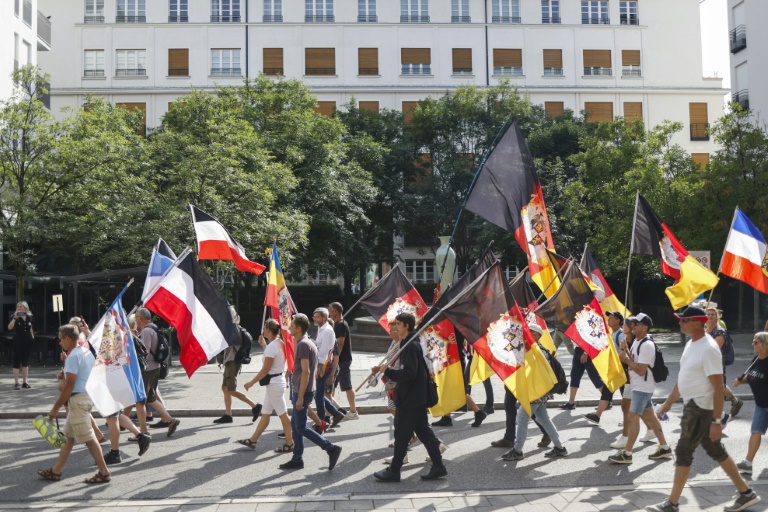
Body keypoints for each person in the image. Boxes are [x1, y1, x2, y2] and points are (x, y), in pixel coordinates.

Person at [648, 307, 761, 512]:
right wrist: (667, 404)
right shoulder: (692, 343)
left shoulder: (709, 348)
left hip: (700, 408)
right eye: (680, 320)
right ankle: (747, 494)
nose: (680, 323)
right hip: (693, 405)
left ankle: (672, 504)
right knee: (716, 450)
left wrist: (716, 421)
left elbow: (718, 388)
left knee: (683, 451)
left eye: (684, 320)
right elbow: (684, 379)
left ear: (697, 323)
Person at [372, 312, 446, 482]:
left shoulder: (411, 346)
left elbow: (409, 373)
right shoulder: (406, 343)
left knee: (401, 434)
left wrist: (388, 371)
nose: (395, 326)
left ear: (406, 326)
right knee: (424, 433)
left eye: (398, 324)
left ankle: (394, 470)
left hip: (410, 399)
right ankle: (439, 467)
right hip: (413, 397)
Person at [37, 324, 111, 484]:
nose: (59, 342)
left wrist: (55, 408)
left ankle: (104, 472)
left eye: (60, 339)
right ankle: (56, 471)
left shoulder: (72, 357)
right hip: (84, 398)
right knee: (68, 438)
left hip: (77, 400)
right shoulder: (86, 352)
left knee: (89, 438)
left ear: (68, 339)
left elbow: (69, 385)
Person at [279, 313, 342, 471]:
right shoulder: (308, 342)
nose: (290, 328)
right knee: (296, 425)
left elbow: (306, 372)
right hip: (305, 389)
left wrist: (300, 397)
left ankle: (330, 448)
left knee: (300, 427)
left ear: (298, 328)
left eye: (292, 326)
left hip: (303, 390)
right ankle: (297, 458)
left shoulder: (303, 345)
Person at [609, 313, 671, 464]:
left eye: (636, 323)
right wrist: (626, 350)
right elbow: (635, 360)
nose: (633, 325)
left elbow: (641, 370)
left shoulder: (647, 345)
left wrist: (626, 360)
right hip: (638, 385)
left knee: (632, 417)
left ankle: (628, 453)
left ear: (645, 327)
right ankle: (664, 447)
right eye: (633, 323)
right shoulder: (638, 341)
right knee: (649, 416)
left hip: (642, 386)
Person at [502, 323, 568, 461]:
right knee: (543, 419)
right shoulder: (532, 350)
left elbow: (538, 374)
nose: (525, 335)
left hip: (537, 392)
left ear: (537, 335)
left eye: (529, 332)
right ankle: (560, 448)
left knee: (521, 418)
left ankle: (517, 450)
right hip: (536, 391)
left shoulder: (538, 351)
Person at [123, 308, 180, 438]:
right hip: (155, 367)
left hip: (147, 369)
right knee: (151, 398)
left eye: (136, 317)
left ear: (140, 319)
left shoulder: (147, 331)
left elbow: (145, 351)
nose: (135, 320)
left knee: (140, 401)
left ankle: (143, 432)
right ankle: (169, 419)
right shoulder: (154, 328)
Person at [239, 319, 294, 452]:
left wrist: (251, 383)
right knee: (266, 414)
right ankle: (253, 440)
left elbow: (265, 369)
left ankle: (290, 443)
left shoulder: (272, 346)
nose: (263, 330)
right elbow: (274, 358)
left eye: (264, 328)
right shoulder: (278, 343)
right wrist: (265, 346)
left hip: (274, 384)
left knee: (283, 414)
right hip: (276, 382)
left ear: (268, 330)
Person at [213, 307, 260, 424]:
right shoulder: (231, 328)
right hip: (230, 361)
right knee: (224, 388)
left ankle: (255, 406)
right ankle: (228, 414)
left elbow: (224, 343)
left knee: (231, 390)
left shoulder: (232, 329)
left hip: (232, 362)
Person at [733, 332, 768, 475]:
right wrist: (742, 381)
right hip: (761, 404)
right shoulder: (756, 359)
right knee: (755, 432)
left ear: (765, 345)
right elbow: (752, 376)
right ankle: (748, 463)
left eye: (756, 342)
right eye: (753, 341)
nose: (753, 344)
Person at [582, 311, 624, 426]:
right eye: (609, 318)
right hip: (614, 371)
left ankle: (631, 420)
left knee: (626, 397)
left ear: (618, 321)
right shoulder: (611, 334)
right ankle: (597, 416)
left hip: (622, 371)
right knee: (606, 392)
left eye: (611, 318)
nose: (608, 319)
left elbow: (624, 353)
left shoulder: (620, 335)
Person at [705, 302, 743, 419]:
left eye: (713, 314)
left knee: (717, 388)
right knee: (712, 387)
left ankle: (719, 417)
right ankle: (717, 413)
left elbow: (713, 349)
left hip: (716, 365)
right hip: (707, 364)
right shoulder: (706, 331)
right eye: (708, 314)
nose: (710, 316)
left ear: (717, 317)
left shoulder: (720, 332)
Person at [312, 308, 344, 429]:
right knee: (318, 394)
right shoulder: (321, 329)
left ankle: (321, 422)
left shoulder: (326, 331)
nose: (315, 319)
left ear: (324, 318)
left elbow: (323, 353)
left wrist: (318, 370)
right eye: (314, 317)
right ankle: (336, 414)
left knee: (318, 395)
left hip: (323, 365)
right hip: (322, 364)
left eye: (317, 317)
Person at [329, 303, 359, 421]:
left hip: (342, 360)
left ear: (335, 312)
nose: (329, 312)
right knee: (331, 386)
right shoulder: (339, 323)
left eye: (330, 310)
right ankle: (332, 410)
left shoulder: (340, 325)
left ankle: (353, 411)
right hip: (340, 360)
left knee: (346, 385)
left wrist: (335, 358)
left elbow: (340, 343)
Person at [9, 301, 34, 390]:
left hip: (28, 341)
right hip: (18, 341)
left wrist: (32, 336)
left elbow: (30, 327)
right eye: (18, 307)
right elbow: (9, 327)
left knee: (25, 362)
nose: (19, 308)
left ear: (25, 308)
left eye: (21, 307)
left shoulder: (29, 317)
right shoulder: (14, 317)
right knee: (17, 361)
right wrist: (15, 317)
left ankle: (25, 382)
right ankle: (16, 383)